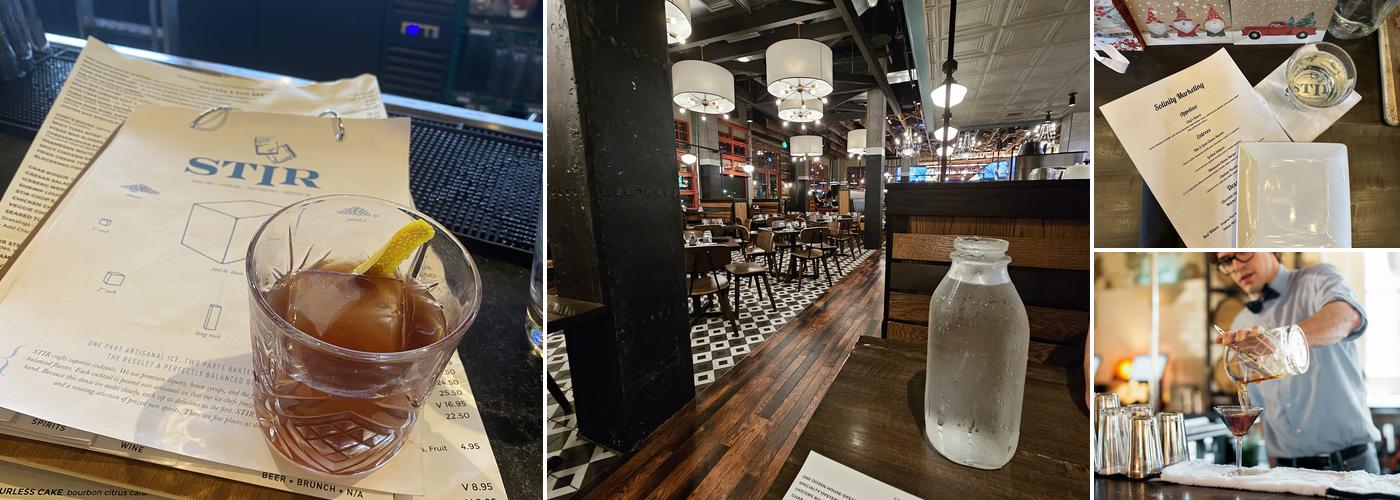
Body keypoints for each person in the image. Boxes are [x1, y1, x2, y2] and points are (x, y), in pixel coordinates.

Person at [1215, 252, 1380, 473]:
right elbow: (1263, 411)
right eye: (1226, 261)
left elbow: (1348, 316)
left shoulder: (1317, 279)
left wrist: (1281, 341)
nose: (1236, 266)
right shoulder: (1241, 322)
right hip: (1285, 470)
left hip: (1348, 465)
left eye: (1242, 253)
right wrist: (1273, 471)